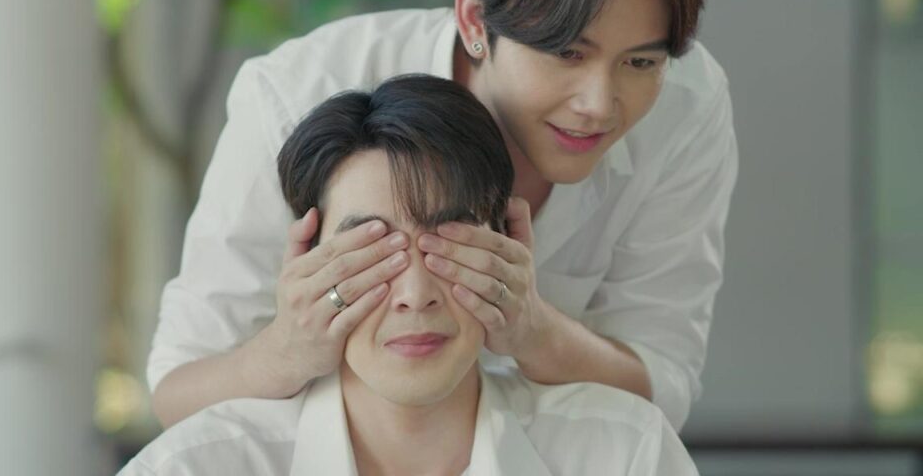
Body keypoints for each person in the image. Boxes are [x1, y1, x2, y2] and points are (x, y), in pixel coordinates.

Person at [148, 0, 738, 431]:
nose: (599, 105)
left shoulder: (685, 108)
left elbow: (662, 388)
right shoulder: (299, 93)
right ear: (476, 21)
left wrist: (534, 331)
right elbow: (176, 395)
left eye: (640, 63)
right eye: (566, 52)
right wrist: (288, 350)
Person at [121, 75, 698, 476]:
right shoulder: (196, 467)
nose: (416, 295)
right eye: (373, 250)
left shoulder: (626, 455)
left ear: (511, 243)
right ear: (305, 266)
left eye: (449, 242)